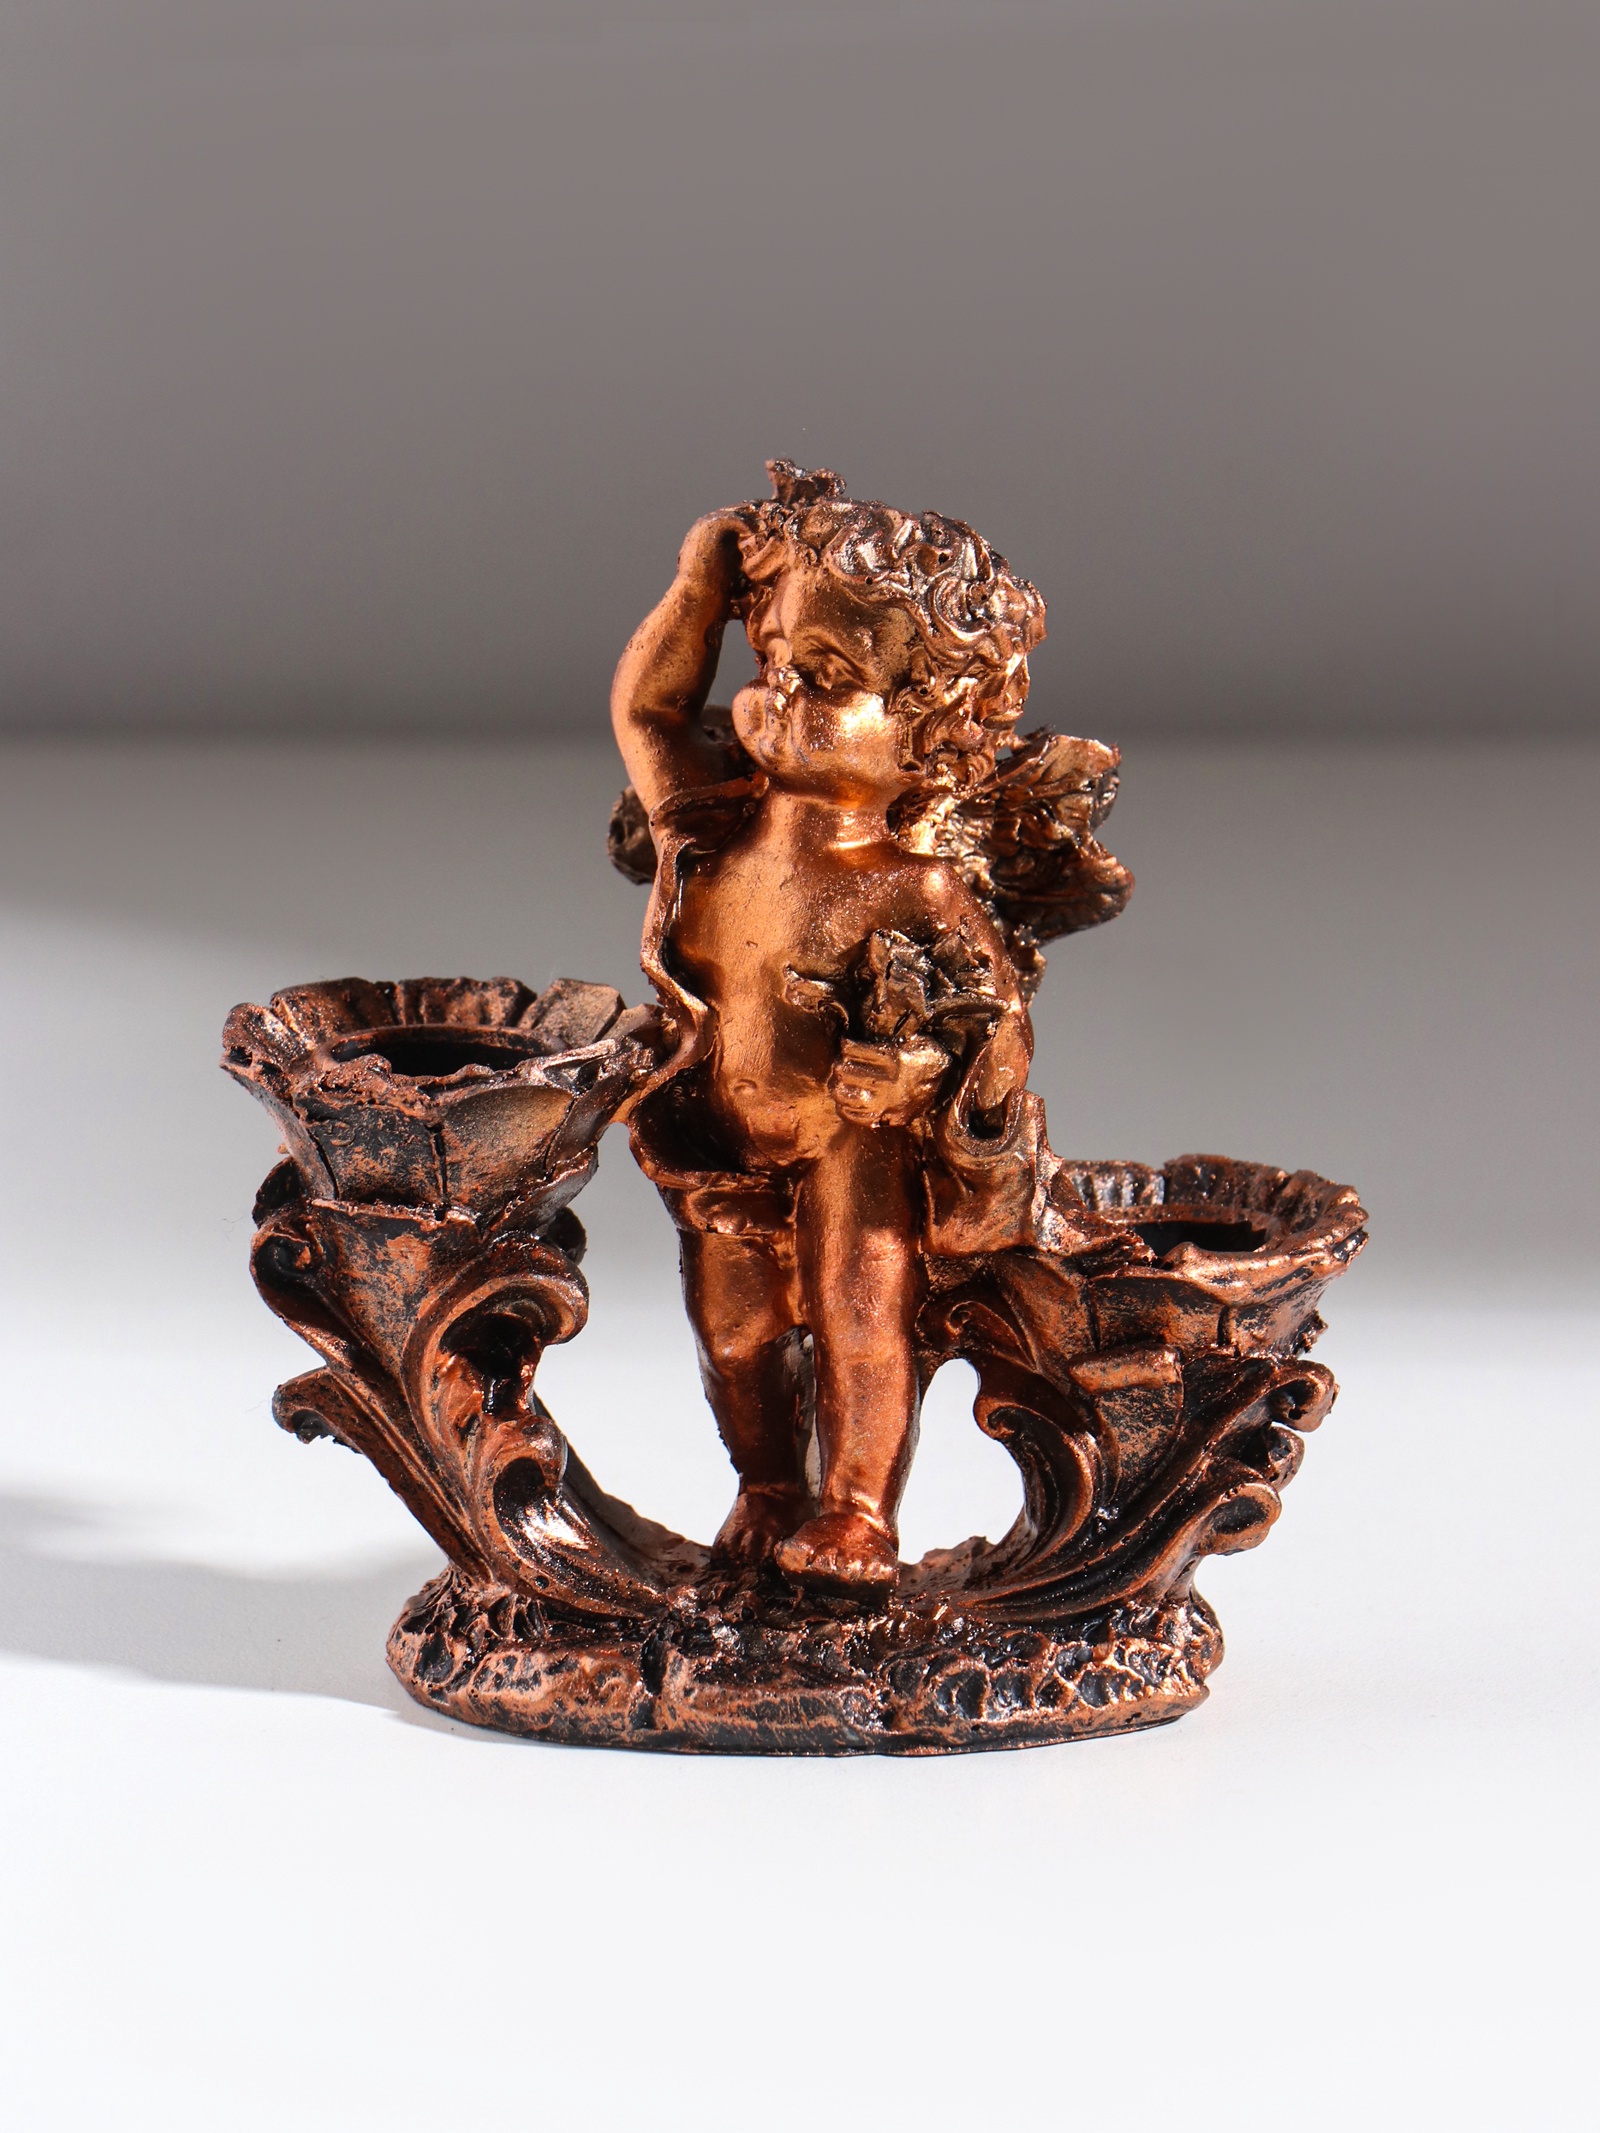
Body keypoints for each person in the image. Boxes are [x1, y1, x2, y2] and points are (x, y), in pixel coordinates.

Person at [610, 462, 1121, 1593]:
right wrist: (699, 586)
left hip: (853, 1148)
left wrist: (921, 1071)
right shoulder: (707, 828)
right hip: (719, 1138)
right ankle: (766, 1486)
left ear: (928, 736)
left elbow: (998, 1028)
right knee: (733, 1330)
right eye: (772, 660)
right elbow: (646, 711)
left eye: (831, 677)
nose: (780, 694)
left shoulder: (915, 890)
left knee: (859, 1321)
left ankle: (855, 1511)